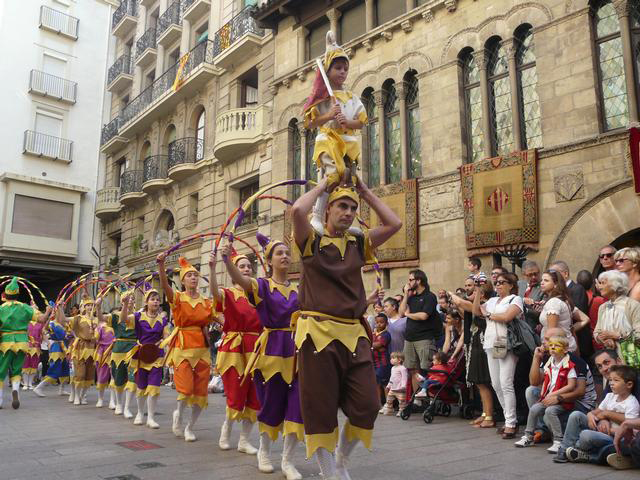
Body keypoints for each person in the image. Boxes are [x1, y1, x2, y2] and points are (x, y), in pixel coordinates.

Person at [291, 174, 401, 480]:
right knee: (320, 408)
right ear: (328, 208)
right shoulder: (310, 242)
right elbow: (298, 211)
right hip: (317, 334)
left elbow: (394, 223)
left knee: (368, 405)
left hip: (354, 334)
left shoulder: (358, 243)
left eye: (353, 208)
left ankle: (341, 459)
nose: (349, 212)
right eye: (342, 206)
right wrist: (322, 187)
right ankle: (329, 472)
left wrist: (364, 191)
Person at [221, 234, 303, 480]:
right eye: (279, 253)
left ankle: (288, 460)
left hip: (296, 353)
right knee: (270, 404)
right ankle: (264, 452)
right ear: (269, 261)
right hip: (271, 351)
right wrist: (227, 261)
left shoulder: (299, 290)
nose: (285, 256)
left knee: (297, 407)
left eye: (287, 252)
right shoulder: (262, 286)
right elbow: (241, 281)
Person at [303, 30, 367, 235]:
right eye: (338, 68)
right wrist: (329, 115)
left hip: (348, 144)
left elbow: (361, 122)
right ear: (328, 70)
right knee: (333, 175)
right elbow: (309, 123)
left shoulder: (352, 98)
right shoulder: (322, 99)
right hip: (328, 141)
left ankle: (348, 222)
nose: (342, 72)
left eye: (345, 69)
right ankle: (317, 215)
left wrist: (347, 121)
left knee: (349, 180)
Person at [157, 255, 217, 442]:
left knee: (200, 393)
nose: (193, 278)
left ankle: (190, 427)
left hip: (202, 350)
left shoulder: (206, 302)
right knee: (185, 390)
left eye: (195, 275)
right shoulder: (177, 298)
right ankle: (179, 415)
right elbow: (164, 285)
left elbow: (219, 318)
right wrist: (161, 265)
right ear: (182, 281)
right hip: (182, 348)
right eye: (189, 275)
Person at [210, 248, 262, 455]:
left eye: (249, 266)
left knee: (255, 395)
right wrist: (212, 269)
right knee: (235, 392)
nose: (247, 269)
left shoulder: (258, 294)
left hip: (256, 347)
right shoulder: (228, 293)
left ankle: (244, 441)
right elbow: (215, 293)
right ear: (233, 271)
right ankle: (226, 432)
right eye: (242, 266)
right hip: (234, 348)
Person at [553, 348, 640, 463]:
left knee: (586, 436)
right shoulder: (611, 387)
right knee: (576, 415)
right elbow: (600, 410)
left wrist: (606, 415)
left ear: (618, 361)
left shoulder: (634, 385)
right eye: (599, 366)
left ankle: (585, 452)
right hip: (606, 430)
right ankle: (565, 450)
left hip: (624, 434)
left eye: (606, 362)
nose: (604, 368)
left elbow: (631, 422)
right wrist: (592, 415)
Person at [474, 272, 522, 439]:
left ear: (511, 285)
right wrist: (478, 291)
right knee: (496, 384)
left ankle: (511, 423)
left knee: (506, 383)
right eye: (497, 283)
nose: (499, 285)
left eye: (502, 282)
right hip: (491, 343)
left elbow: (507, 317)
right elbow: (476, 311)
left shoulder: (515, 299)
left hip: (506, 343)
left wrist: (488, 314)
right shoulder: (493, 300)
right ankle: (509, 418)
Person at [117, 288, 169, 429]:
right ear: (146, 302)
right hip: (141, 355)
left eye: (157, 299)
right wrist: (125, 304)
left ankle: (151, 417)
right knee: (141, 386)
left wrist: (164, 342)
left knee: (154, 386)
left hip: (156, 355)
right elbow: (123, 319)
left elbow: (166, 336)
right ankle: (140, 413)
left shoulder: (163, 320)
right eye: (152, 299)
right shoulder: (138, 316)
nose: (156, 302)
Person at [515, 334, 577, 450]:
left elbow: (571, 385)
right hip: (547, 397)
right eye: (551, 345)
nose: (552, 347)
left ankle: (559, 440)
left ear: (565, 349)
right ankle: (528, 436)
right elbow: (539, 381)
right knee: (534, 409)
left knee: (550, 411)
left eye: (557, 345)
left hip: (562, 401)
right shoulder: (549, 363)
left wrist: (554, 394)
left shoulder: (569, 366)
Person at [450, 282, 496, 428]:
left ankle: (489, 416)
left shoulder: (484, 306)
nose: (470, 292)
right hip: (475, 344)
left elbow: (461, 302)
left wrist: (451, 294)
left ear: (481, 294)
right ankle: (484, 413)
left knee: (482, 381)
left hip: (481, 346)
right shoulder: (477, 305)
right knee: (478, 382)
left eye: (474, 291)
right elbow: (464, 312)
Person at [0, 278, 50, 408]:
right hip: (22, 342)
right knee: (17, 370)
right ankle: (15, 390)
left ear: (6, 295)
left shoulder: (1, 308)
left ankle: (0, 400)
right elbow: (42, 319)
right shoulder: (25, 307)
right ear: (17, 294)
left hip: (6, 343)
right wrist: (48, 311)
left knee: (1, 371)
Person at [399, 269, 441, 393]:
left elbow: (423, 316)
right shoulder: (411, 297)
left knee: (426, 369)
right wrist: (406, 295)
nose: (408, 282)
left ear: (419, 280)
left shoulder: (429, 296)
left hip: (424, 338)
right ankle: (416, 399)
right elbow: (401, 313)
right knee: (413, 370)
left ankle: (429, 396)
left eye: (411, 280)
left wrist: (408, 314)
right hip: (409, 339)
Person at [550, 260, 594, 361]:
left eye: (555, 274)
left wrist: (566, 332)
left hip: (579, 342)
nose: (553, 277)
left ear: (565, 274)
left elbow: (576, 317)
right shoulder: (559, 291)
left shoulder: (577, 289)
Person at [593, 270, 640, 360]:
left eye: (603, 283)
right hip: (610, 360)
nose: (599, 287)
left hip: (630, 359)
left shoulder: (632, 305)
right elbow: (597, 332)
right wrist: (603, 339)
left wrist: (618, 336)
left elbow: (638, 335)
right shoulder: (603, 307)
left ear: (615, 285)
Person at [103, 298, 137, 417]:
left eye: (133, 299)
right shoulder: (115, 316)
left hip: (134, 349)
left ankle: (127, 407)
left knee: (133, 379)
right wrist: (97, 307)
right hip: (119, 349)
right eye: (128, 299)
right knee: (118, 379)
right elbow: (101, 318)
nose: (130, 301)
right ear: (122, 302)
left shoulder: (139, 316)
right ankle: (118, 404)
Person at [33, 306, 71, 398]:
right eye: (59, 311)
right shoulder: (52, 323)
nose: (61, 313)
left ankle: (62, 389)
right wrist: (48, 342)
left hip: (65, 347)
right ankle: (39, 387)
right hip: (56, 347)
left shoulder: (65, 324)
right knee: (55, 368)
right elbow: (44, 330)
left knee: (65, 368)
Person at [94, 303, 116, 409]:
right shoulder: (101, 326)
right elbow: (95, 339)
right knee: (102, 376)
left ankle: (112, 400)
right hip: (102, 353)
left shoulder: (118, 327)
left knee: (114, 377)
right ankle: (100, 399)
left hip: (115, 352)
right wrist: (95, 330)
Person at [22, 307, 45, 390]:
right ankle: (25, 383)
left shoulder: (40, 324)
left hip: (36, 347)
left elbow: (42, 335)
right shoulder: (25, 322)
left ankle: (30, 383)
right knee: (25, 364)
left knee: (34, 364)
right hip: (26, 345)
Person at [379, 352, 408, 416]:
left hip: (400, 389)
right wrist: (389, 385)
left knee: (401, 401)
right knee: (389, 399)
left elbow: (404, 378)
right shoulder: (393, 368)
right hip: (393, 388)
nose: (391, 360)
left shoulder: (402, 368)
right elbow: (392, 378)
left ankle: (402, 411)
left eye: (393, 358)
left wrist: (403, 386)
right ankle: (389, 409)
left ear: (399, 360)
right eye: (391, 358)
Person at [518, 260, 544, 331]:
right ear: (523, 275)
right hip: (517, 327)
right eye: (530, 275)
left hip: (532, 329)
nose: (533, 277)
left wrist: (525, 310)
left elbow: (540, 312)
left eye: (536, 274)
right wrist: (523, 300)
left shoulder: (544, 287)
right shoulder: (518, 285)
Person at [372, 313, 391, 403]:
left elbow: (377, 345)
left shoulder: (386, 334)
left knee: (385, 384)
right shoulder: (373, 334)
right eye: (377, 322)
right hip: (373, 362)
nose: (379, 324)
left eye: (381, 322)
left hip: (383, 362)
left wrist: (369, 345)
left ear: (386, 323)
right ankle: (378, 404)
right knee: (376, 383)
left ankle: (388, 403)